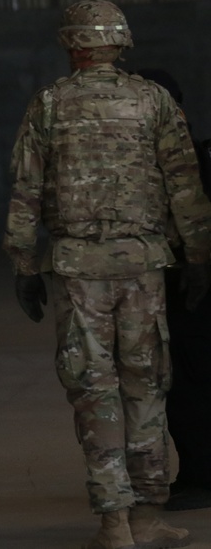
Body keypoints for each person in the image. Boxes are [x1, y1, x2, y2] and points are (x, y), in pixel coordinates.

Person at [3, 0, 211, 549]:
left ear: (72, 46)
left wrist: (23, 263)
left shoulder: (48, 103)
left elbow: (24, 188)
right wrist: (198, 257)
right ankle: (146, 514)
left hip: (77, 269)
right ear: (121, 43)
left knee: (94, 391)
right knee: (147, 386)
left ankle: (115, 524)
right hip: (142, 267)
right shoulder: (154, 101)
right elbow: (184, 186)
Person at [131, 68, 211, 513]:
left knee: (191, 382)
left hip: (192, 290)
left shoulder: (190, 156)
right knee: (179, 384)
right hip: (169, 285)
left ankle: (204, 476)